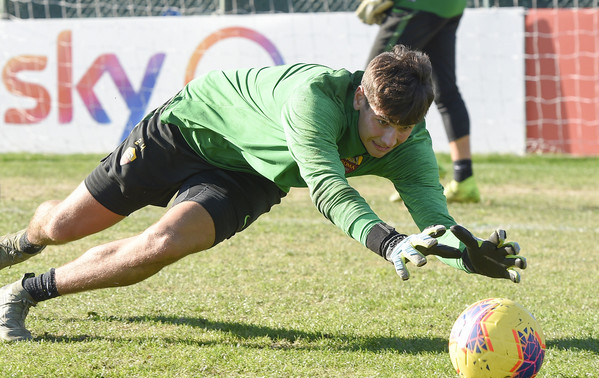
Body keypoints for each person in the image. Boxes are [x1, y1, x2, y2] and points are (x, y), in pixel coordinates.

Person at [0, 45, 525, 342]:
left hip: (253, 176)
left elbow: (434, 222)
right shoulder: (314, 100)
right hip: (189, 129)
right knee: (63, 225)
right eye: (384, 123)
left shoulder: (409, 141)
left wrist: (463, 251)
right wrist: (388, 242)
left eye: (404, 130)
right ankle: (21, 243)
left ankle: (24, 292)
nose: (390, 141)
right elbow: (326, 186)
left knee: (164, 243)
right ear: (361, 97)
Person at [356, 0, 480, 203]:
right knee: (446, 91)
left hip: (416, 5)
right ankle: (464, 178)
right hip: (451, 7)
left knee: (373, 82)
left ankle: (418, 166)